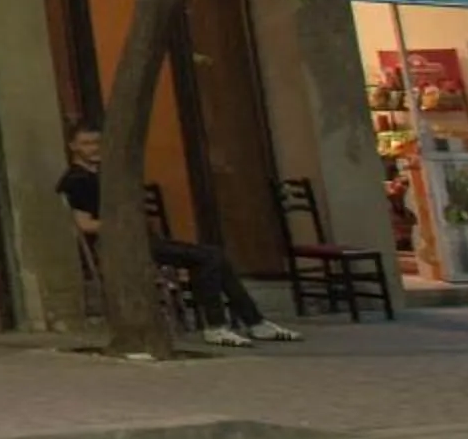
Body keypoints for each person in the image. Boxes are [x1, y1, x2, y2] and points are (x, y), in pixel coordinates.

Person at [58, 125, 299, 344]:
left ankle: (253, 323)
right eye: (87, 143)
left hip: (144, 241)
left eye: (98, 142)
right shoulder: (78, 181)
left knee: (213, 256)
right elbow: (84, 225)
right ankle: (222, 325)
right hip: (122, 246)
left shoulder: (104, 176)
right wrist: (124, 223)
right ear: (73, 147)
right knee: (210, 257)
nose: (94, 148)